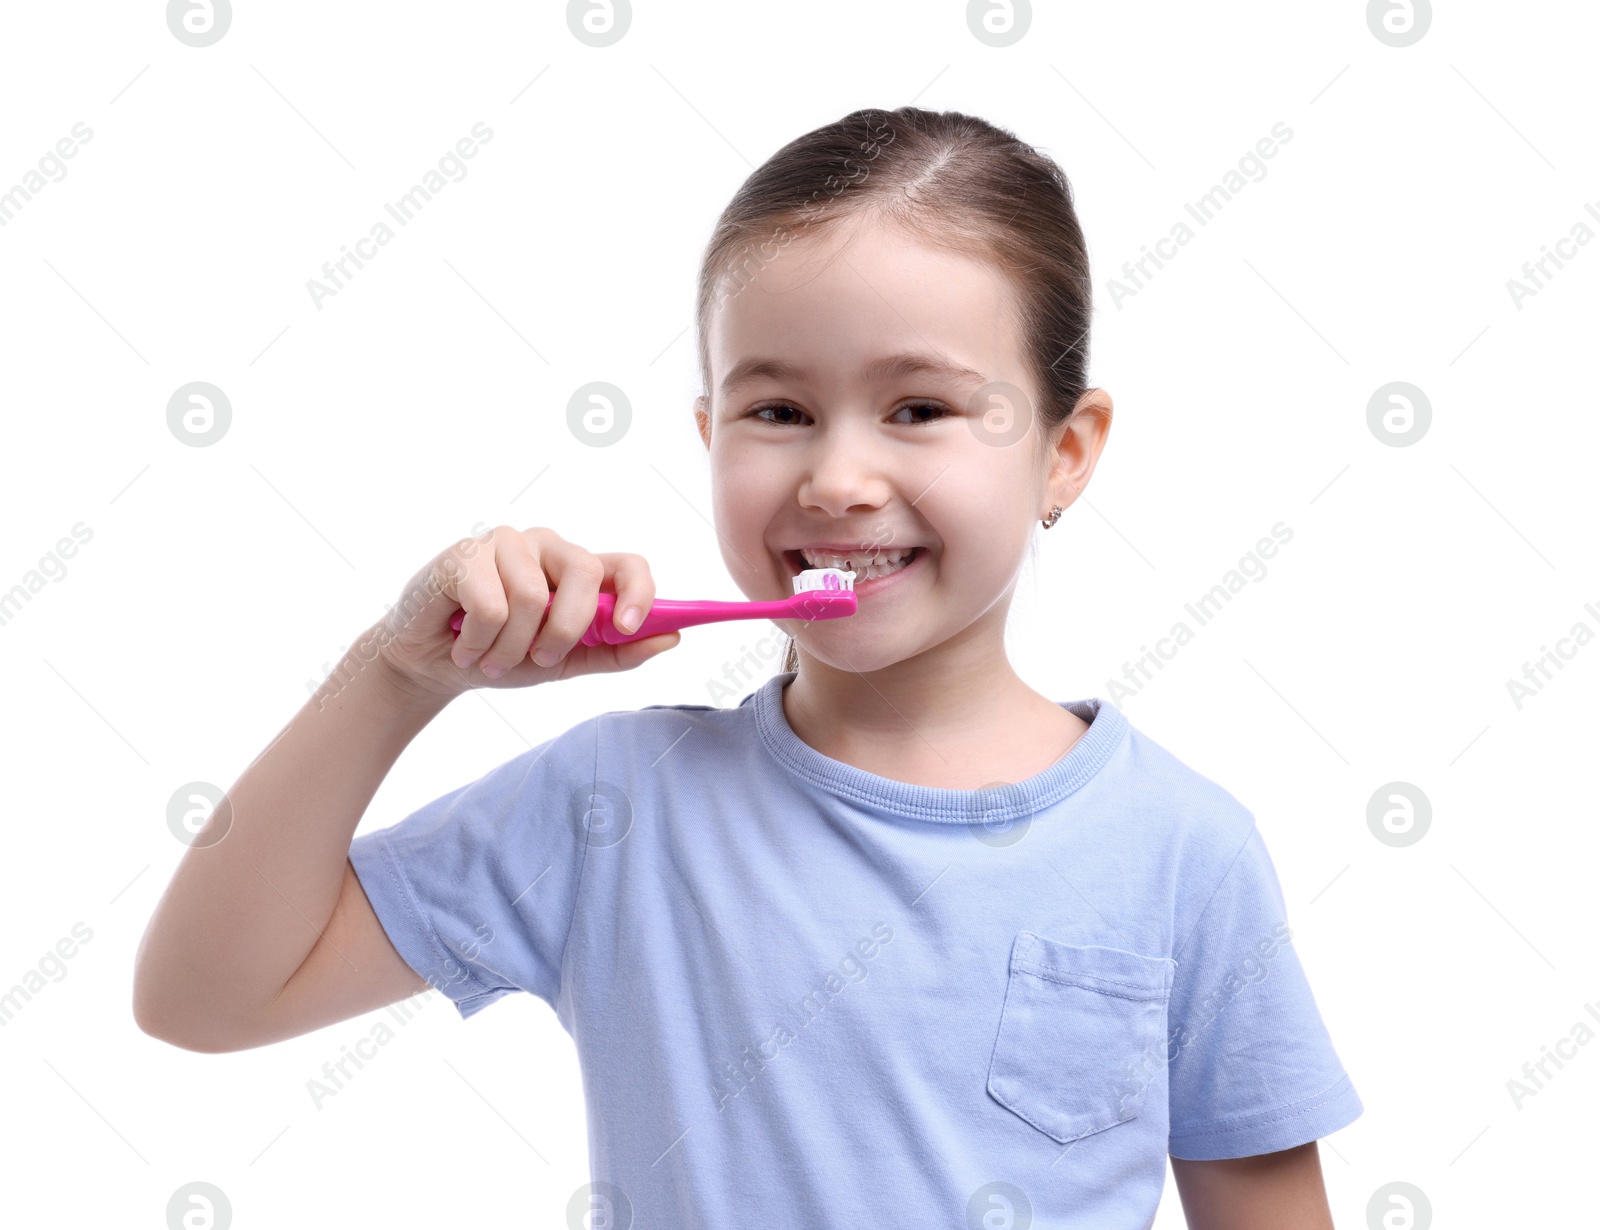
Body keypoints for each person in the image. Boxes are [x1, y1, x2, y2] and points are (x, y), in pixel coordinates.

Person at [134, 106, 1361, 1227]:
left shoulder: (1182, 850)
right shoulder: (615, 804)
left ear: (1065, 452)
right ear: (709, 432)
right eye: (777, 413)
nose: (835, 478)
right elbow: (203, 997)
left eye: (919, 408)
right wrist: (401, 674)